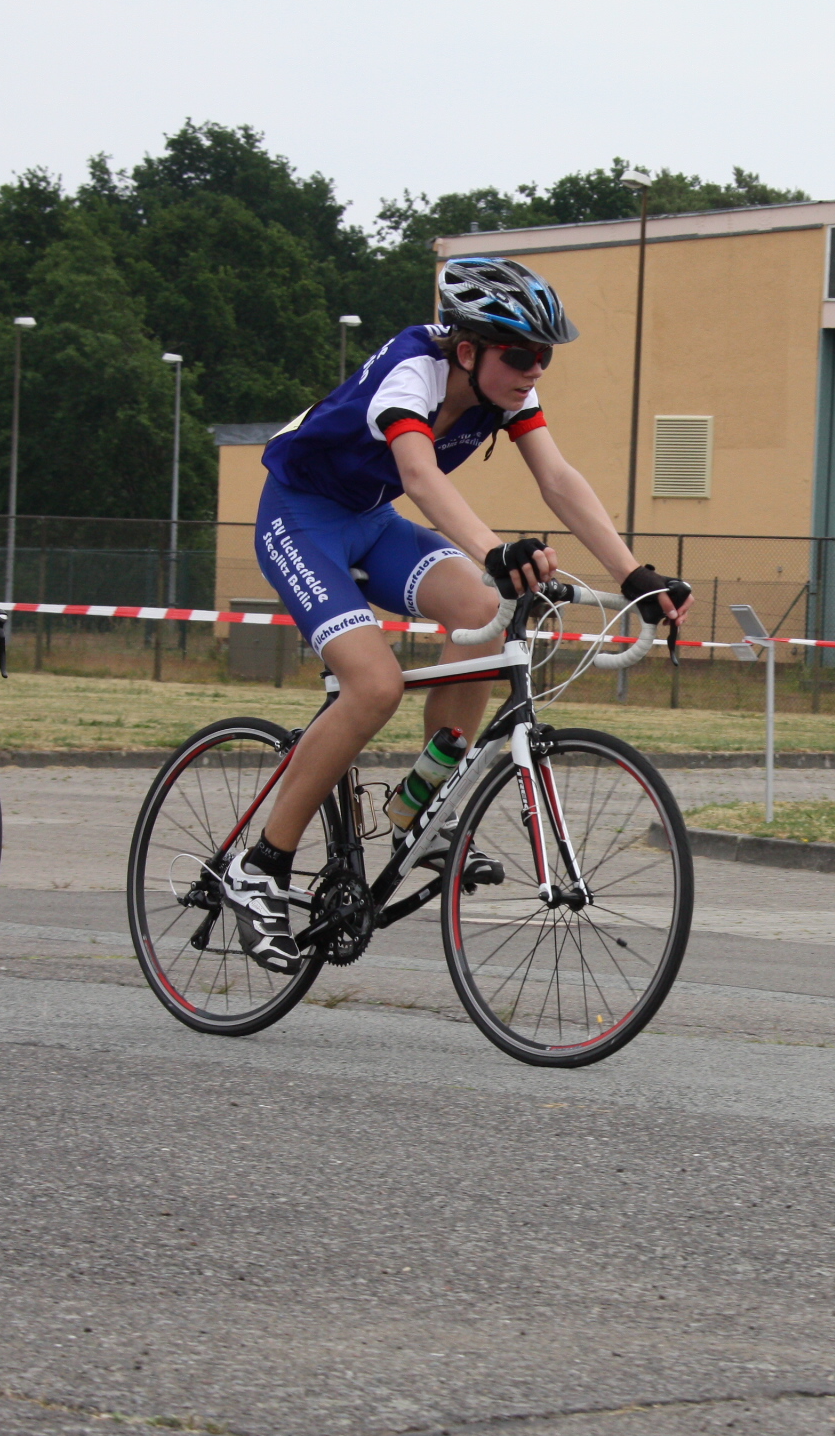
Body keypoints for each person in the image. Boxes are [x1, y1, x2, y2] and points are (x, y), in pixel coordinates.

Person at [221, 256, 690, 972]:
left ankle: (419, 805)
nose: (535, 369)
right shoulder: (413, 371)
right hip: (302, 518)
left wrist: (633, 575)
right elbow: (418, 473)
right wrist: (495, 550)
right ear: (468, 350)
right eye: (520, 355)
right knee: (374, 686)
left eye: (544, 356)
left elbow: (558, 479)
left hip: (371, 521)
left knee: (483, 609)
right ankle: (258, 867)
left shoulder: (504, 391)